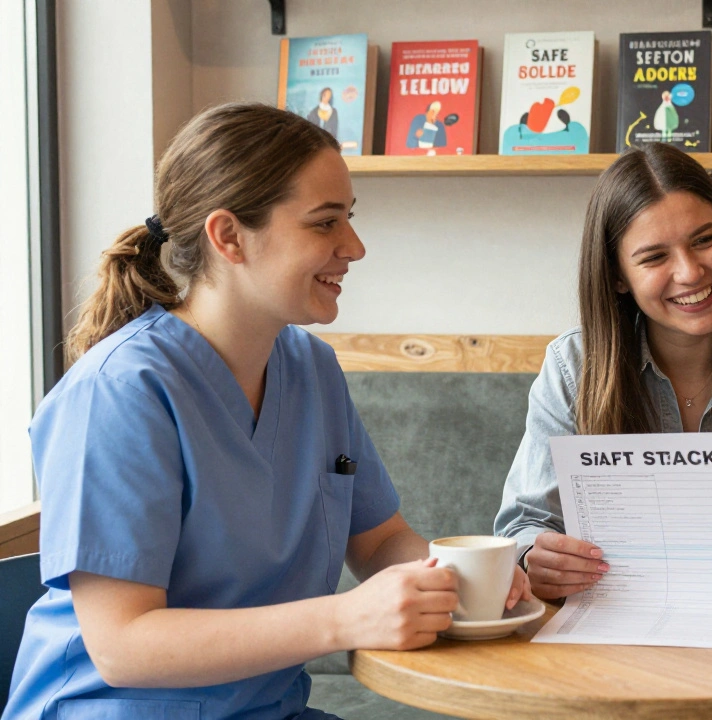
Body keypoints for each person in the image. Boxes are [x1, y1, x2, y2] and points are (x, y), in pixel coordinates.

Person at [3, 102, 530, 720]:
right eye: (325, 223)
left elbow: (380, 538)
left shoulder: (311, 369)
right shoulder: (118, 392)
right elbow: (123, 646)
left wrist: (465, 581)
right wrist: (344, 618)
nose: (354, 247)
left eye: (349, 220)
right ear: (228, 237)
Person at [495, 143, 712, 604]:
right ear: (618, 277)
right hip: (605, 639)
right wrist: (533, 560)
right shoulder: (573, 367)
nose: (689, 272)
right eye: (654, 257)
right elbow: (525, 524)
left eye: (705, 239)